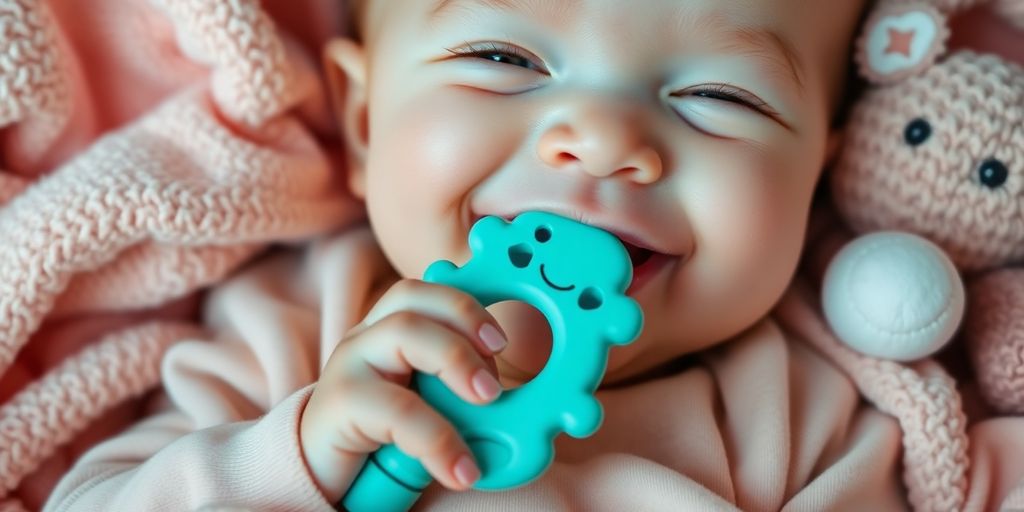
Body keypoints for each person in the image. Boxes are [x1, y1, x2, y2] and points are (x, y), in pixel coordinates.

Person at [47, 0, 1018, 510]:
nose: (598, 138)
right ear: (366, 117)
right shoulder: (295, 331)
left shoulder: (813, 417)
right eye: (503, 60)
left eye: (719, 97)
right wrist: (294, 457)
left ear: (817, 170)